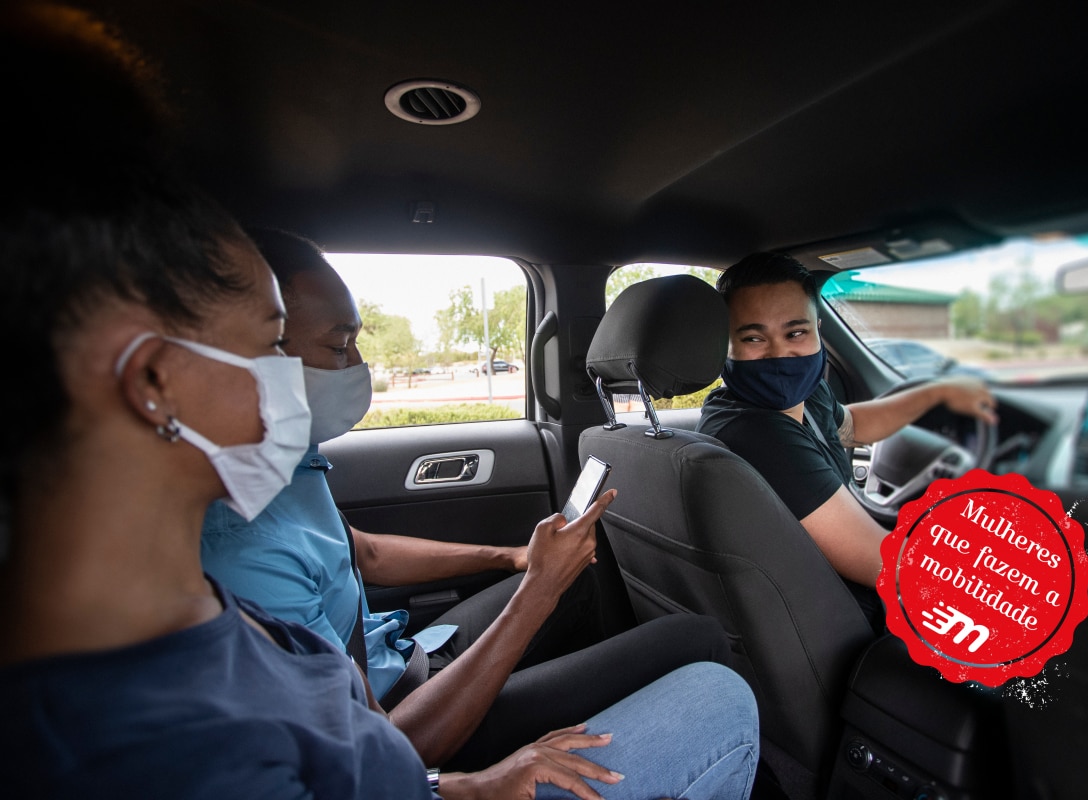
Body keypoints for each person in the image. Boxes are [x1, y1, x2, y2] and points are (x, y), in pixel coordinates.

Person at [0, 5, 762, 797]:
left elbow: (359, 717)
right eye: (270, 345)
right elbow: (379, 745)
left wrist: (467, 779)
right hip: (417, 724)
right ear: (156, 382)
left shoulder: (216, 607)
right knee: (718, 690)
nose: (302, 380)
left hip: (410, 723)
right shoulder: (160, 729)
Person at [202, 227, 743, 771]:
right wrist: (538, 588)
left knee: (579, 581)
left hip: (400, 659)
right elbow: (385, 755)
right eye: (339, 347)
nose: (360, 364)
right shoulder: (243, 552)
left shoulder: (288, 461)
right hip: (411, 724)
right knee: (695, 639)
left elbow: (363, 553)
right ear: (248, 355)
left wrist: (512, 558)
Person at [697, 251, 998, 630]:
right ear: (725, 345)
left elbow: (850, 426)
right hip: (848, 624)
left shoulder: (804, 396)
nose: (780, 354)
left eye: (796, 333)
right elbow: (888, 565)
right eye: (754, 338)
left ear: (818, 329)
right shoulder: (755, 435)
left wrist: (937, 393)